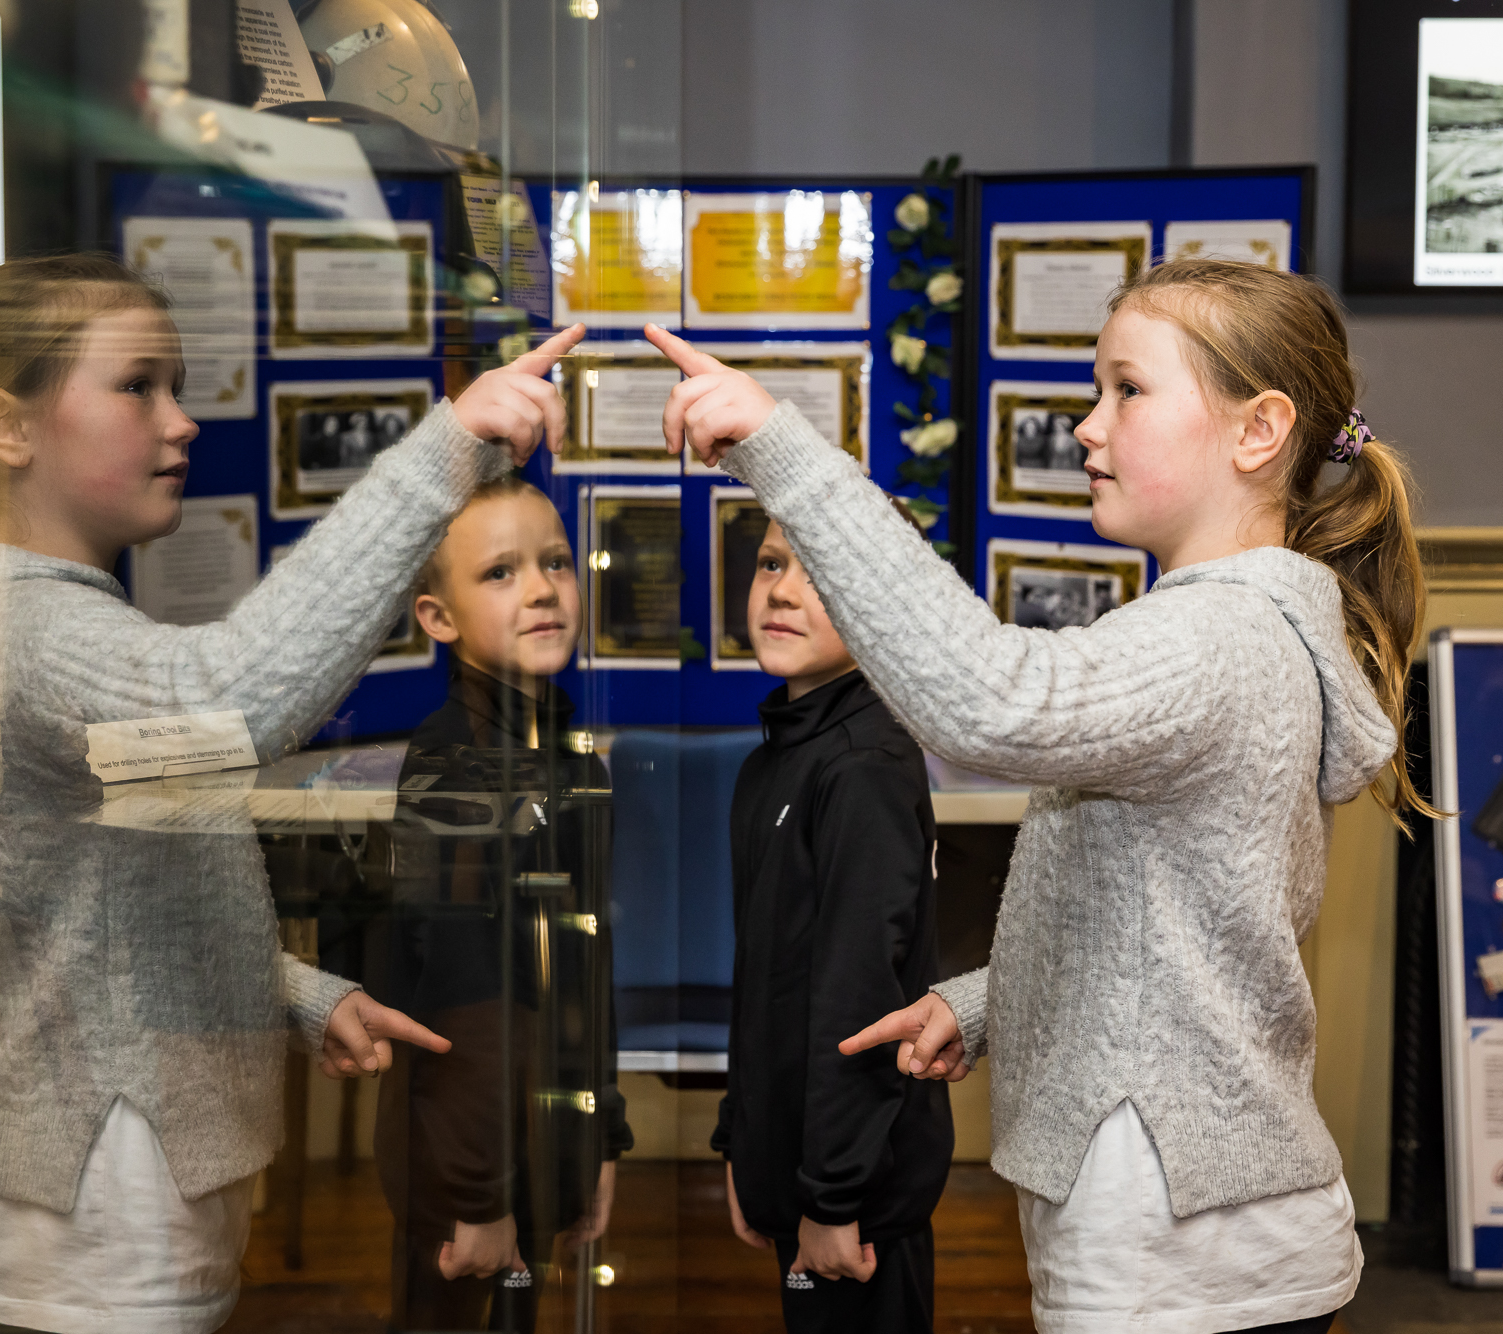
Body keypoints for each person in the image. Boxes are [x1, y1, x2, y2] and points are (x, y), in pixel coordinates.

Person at [645, 255, 1436, 1334]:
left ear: (1255, 432)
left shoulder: (1213, 638)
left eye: (1127, 388)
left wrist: (785, 455)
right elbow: (1161, 927)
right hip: (1191, 1241)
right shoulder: (1233, 630)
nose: (1085, 427)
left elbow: (988, 702)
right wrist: (978, 1002)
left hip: (1181, 1256)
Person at [0, 251, 584, 1334]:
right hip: (76, 1248)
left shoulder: (48, 624)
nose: (180, 419)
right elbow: (232, 702)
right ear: (6, 427)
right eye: (136, 384)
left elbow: (101, 907)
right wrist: (444, 452)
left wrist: (294, 991)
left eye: (179, 384)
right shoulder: (27, 632)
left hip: (102, 1231)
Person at [371, 475, 631, 1330]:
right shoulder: (452, 766)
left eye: (555, 562)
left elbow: (584, 967)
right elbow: (460, 999)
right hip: (464, 1163)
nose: (542, 589)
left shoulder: (572, 763)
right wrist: (480, 1196)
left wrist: (598, 1138)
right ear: (438, 618)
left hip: (541, 1140)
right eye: (500, 573)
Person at [715, 510, 951, 1334]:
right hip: (798, 1171)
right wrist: (741, 1143)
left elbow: (859, 1000)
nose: (782, 589)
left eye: (819, 571)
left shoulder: (864, 770)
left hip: (855, 1201)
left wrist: (831, 1198)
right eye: (772, 562)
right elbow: (764, 986)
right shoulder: (772, 764)